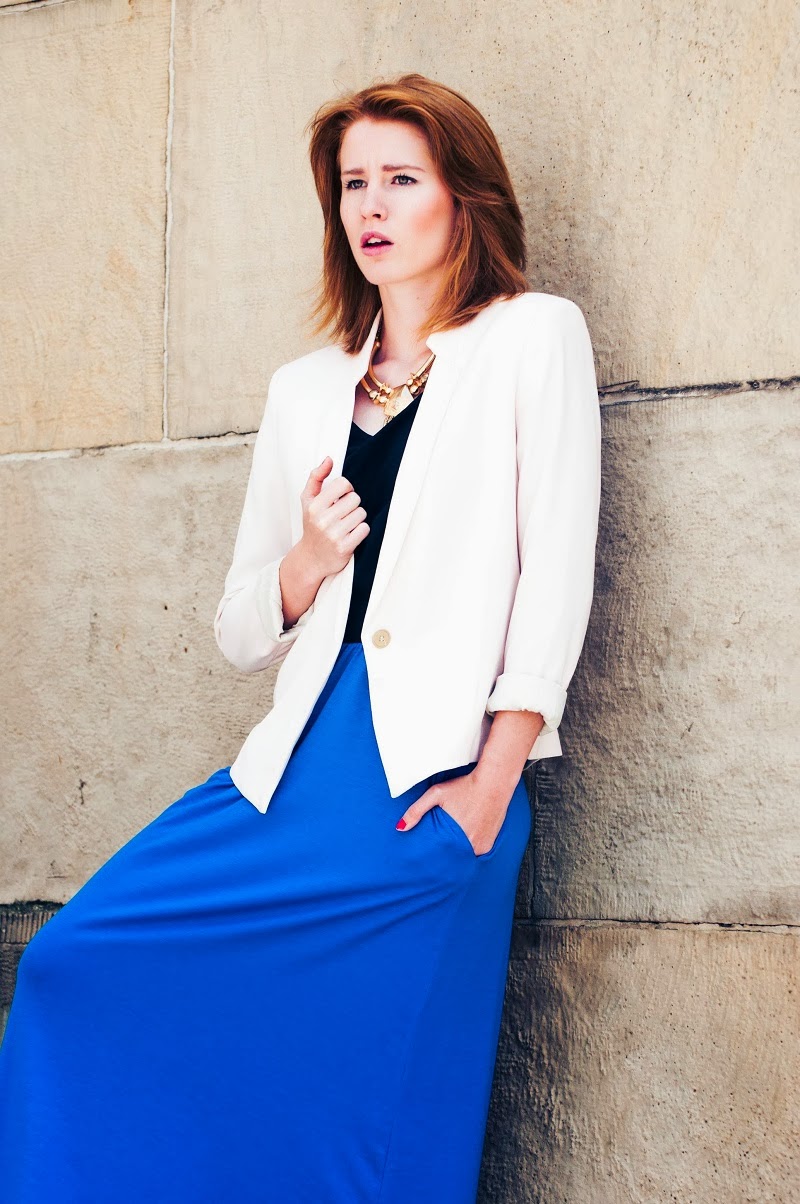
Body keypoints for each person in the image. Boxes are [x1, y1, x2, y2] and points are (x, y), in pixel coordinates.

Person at [0, 72, 601, 1204]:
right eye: (351, 184)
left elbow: (556, 571)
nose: (370, 206)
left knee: (368, 1098)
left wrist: (490, 784)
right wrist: (307, 563)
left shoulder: (532, 338)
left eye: (400, 179)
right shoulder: (305, 389)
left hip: (430, 788)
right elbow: (241, 630)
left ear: (462, 197)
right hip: (290, 770)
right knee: (75, 964)